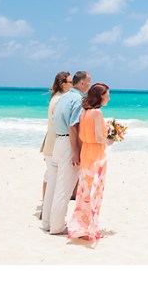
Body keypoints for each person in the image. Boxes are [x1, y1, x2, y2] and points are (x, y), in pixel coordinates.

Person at [41, 70, 91, 235]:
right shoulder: (77, 99)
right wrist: (76, 151)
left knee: (53, 187)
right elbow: (73, 126)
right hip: (68, 143)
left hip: (58, 143)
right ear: (82, 83)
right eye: (88, 83)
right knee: (64, 188)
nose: (89, 86)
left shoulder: (63, 97)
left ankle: (47, 223)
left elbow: (56, 121)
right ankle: (56, 227)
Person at [67, 82, 114, 241]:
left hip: (87, 151)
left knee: (85, 190)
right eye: (107, 94)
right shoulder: (97, 113)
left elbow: (82, 135)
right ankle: (90, 228)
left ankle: (82, 224)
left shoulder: (84, 112)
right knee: (95, 190)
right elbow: (99, 137)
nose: (109, 97)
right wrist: (110, 140)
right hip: (95, 153)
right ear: (100, 96)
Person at [39, 71, 71, 212]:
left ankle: (45, 207)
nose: (73, 84)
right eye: (71, 82)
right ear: (63, 84)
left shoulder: (57, 98)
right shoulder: (59, 100)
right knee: (53, 177)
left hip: (50, 143)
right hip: (54, 143)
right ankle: (47, 209)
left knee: (50, 176)